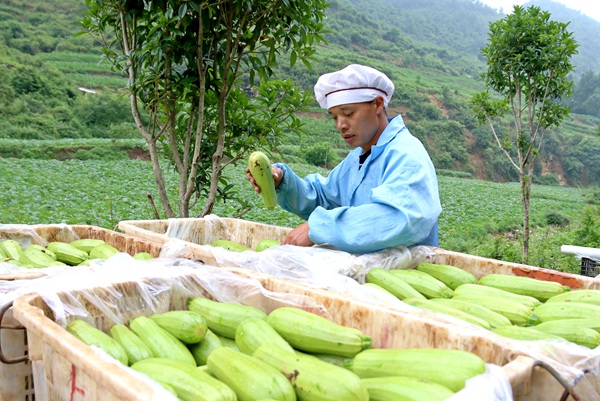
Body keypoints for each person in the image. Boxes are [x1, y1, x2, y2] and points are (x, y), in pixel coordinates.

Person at [246, 64, 442, 254]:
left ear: (377, 104)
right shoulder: (358, 157)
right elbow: (324, 198)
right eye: (334, 117)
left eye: (348, 114)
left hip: (400, 279)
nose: (341, 125)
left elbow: (399, 218)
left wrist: (320, 226)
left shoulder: (406, 155)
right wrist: (281, 181)